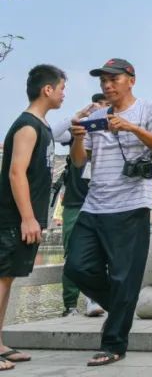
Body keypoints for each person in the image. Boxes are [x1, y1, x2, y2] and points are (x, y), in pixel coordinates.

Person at [66, 58, 152, 367]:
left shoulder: (149, 110)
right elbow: (77, 162)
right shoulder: (96, 116)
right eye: (103, 81)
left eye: (114, 79)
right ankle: (120, 305)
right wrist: (77, 136)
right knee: (76, 267)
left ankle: (113, 344)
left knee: (125, 276)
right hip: (95, 204)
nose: (107, 85)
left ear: (131, 80)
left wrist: (130, 127)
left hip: (130, 205)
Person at [0, 65, 67, 369]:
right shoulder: (27, 126)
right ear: (48, 90)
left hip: (24, 219)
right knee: (0, 280)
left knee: (6, 279)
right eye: (62, 88)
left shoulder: (42, 125)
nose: (64, 94)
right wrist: (27, 218)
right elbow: (16, 173)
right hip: (12, 219)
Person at [52, 92, 109, 318]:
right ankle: (70, 306)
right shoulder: (79, 132)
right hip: (76, 203)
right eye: (98, 107)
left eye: (106, 107)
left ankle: (95, 299)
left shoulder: (113, 135)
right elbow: (53, 134)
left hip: (104, 203)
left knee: (102, 254)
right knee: (72, 253)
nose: (101, 111)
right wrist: (79, 115)